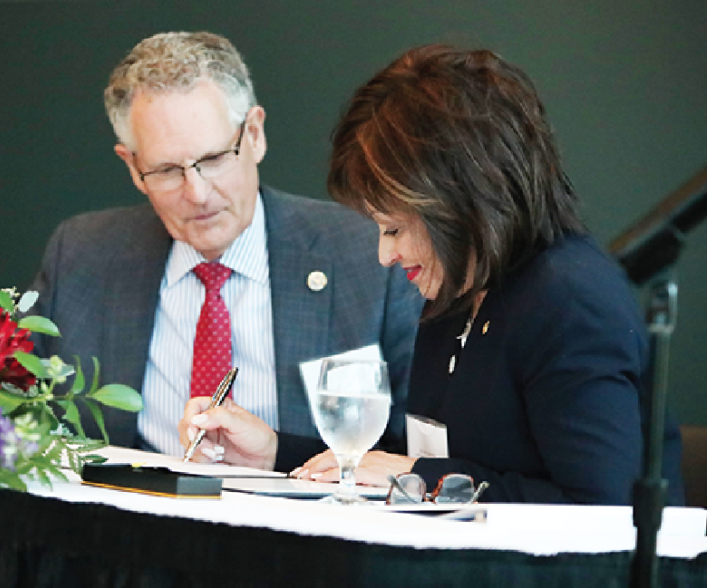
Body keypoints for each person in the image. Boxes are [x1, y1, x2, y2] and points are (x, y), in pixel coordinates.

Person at [191, 43, 684, 504]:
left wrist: (421, 479)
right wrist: (273, 453)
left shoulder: (569, 301)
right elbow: (403, 461)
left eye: (395, 229)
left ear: (458, 202)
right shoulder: (458, 291)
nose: (385, 255)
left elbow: (604, 511)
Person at [29, 31, 423, 471]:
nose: (197, 194)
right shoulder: (83, 255)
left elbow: (416, 452)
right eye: (165, 170)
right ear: (133, 167)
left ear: (254, 134)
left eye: (214, 159)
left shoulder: (367, 255)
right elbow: (21, 419)